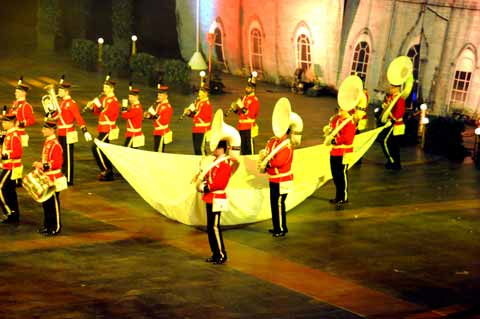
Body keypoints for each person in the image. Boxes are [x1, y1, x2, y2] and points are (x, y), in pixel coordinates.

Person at [196, 140, 238, 264]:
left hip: (216, 198)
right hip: (211, 197)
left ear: (222, 149)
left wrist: (206, 187)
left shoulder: (224, 164)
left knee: (214, 227)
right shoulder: (215, 163)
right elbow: (209, 176)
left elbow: (220, 183)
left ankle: (221, 254)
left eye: (216, 147)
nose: (213, 150)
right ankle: (215, 253)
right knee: (210, 227)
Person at [53, 77, 92, 185]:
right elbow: (57, 116)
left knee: (68, 156)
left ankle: (69, 178)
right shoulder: (62, 103)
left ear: (66, 91)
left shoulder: (71, 103)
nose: (58, 92)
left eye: (60, 91)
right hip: (61, 132)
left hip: (68, 132)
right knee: (62, 156)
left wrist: (85, 130)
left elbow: (78, 117)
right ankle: (64, 174)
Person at [33, 118, 65, 236]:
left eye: (44, 128)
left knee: (53, 204)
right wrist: (40, 165)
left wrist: (42, 165)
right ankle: (48, 225)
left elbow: (57, 163)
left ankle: (55, 227)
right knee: (46, 203)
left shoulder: (55, 145)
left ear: (51, 130)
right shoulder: (48, 142)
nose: (42, 130)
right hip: (47, 177)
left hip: (53, 178)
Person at [85, 75, 120, 181]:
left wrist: (98, 105)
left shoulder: (114, 100)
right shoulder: (105, 99)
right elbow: (98, 112)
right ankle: (108, 171)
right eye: (104, 87)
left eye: (106, 88)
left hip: (108, 128)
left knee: (95, 147)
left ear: (112, 89)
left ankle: (106, 170)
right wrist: (91, 107)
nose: (104, 89)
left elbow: (106, 113)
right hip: (102, 128)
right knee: (104, 150)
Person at [261, 132, 294, 237]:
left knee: (279, 205)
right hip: (274, 179)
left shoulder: (287, 146)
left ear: (286, 133)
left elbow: (279, 162)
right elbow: (268, 152)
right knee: (274, 205)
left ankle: (280, 229)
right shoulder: (273, 142)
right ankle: (277, 227)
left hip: (282, 180)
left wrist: (267, 163)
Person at [327, 107, 356, 206]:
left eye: (342, 110)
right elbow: (333, 129)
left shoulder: (350, 122)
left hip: (344, 152)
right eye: (339, 110)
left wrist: (336, 140)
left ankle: (343, 197)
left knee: (342, 175)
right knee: (335, 175)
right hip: (335, 151)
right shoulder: (338, 119)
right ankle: (338, 196)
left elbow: (348, 138)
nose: (339, 112)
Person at [230, 72, 260, 155]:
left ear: (253, 89)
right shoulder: (244, 98)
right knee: (243, 148)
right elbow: (241, 113)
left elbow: (251, 114)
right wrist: (235, 109)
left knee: (249, 148)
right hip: (242, 127)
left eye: (249, 87)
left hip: (249, 127)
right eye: (247, 87)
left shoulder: (254, 100)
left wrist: (242, 107)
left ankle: (251, 165)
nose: (246, 88)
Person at [0, 114, 22, 224]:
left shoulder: (14, 135)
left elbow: (18, 152)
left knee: (1, 188)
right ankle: (14, 215)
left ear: (11, 123)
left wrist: (4, 156)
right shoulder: (9, 134)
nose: (2, 124)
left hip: (11, 167)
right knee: (10, 191)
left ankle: (9, 212)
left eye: (4, 122)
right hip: (8, 166)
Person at [183, 74, 212, 155]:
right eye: (199, 91)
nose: (199, 93)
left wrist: (192, 112)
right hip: (196, 128)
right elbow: (194, 115)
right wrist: (188, 113)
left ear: (206, 93)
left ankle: (205, 165)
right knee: (196, 149)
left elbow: (203, 116)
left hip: (203, 129)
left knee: (201, 149)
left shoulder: (207, 104)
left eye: (201, 92)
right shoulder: (198, 102)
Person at [379, 84, 406, 170]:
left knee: (389, 143)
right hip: (390, 123)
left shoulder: (400, 99)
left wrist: (389, 111)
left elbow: (398, 114)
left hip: (396, 125)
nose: (390, 89)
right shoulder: (391, 97)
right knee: (391, 144)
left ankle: (394, 162)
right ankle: (392, 161)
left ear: (396, 88)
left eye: (392, 87)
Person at [144, 84, 173, 152]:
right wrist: (148, 116)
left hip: (162, 132)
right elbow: (156, 117)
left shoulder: (167, 107)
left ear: (166, 96)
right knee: (156, 150)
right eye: (158, 95)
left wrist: (153, 113)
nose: (158, 97)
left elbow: (163, 121)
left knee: (159, 152)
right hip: (157, 131)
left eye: (160, 95)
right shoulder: (159, 105)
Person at [8, 77, 36, 147]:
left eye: (17, 92)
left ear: (23, 93)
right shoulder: (15, 104)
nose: (15, 93)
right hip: (11, 132)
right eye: (15, 92)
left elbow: (32, 120)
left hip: (19, 134)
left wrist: (22, 123)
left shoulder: (26, 106)